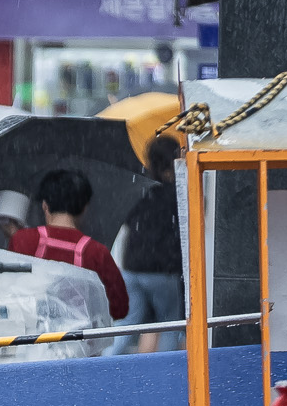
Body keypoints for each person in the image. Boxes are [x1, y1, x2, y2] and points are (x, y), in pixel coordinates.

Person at [9, 168, 129, 320]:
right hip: (80, 341)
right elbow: (119, 308)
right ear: (85, 208)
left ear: (45, 205)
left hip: (31, 338)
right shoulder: (97, 252)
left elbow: (8, 290)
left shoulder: (22, 240)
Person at [114, 136, 185, 353]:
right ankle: (166, 376)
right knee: (169, 325)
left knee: (127, 325)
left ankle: (104, 363)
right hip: (163, 270)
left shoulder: (138, 187)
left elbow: (126, 220)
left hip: (132, 266)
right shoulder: (177, 193)